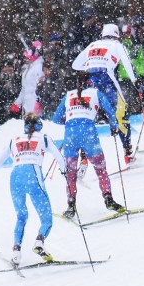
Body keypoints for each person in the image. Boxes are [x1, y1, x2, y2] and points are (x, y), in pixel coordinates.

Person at [0, 114, 67, 264]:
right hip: (33, 175)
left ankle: (16, 252)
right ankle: (39, 243)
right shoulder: (44, 137)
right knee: (46, 219)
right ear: (39, 125)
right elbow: (59, 158)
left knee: (21, 217)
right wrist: (64, 170)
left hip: (15, 178)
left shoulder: (14, 140)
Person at [51, 74, 123, 220]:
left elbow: (56, 118)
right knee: (100, 169)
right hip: (88, 133)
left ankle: (71, 205)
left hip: (70, 134)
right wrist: (114, 127)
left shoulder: (68, 95)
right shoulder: (96, 93)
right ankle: (108, 198)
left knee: (70, 173)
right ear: (90, 84)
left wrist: (71, 120)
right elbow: (110, 111)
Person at [71, 23, 138, 163]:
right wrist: (134, 80)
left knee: (87, 117)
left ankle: (83, 157)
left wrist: (90, 65)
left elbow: (75, 65)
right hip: (106, 79)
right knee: (121, 113)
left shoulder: (92, 45)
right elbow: (126, 61)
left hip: (88, 81)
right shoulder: (117, 44)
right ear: (116, 35)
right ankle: (128, 151)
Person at [11, 41, 44, 117]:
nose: (26, 60)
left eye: (28, 57)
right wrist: (17, 103)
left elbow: (40, 87)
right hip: (26, 105)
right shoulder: (27, 69)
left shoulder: (39, 67)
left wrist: (38, 102)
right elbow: (24, 89)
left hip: (34, 105)